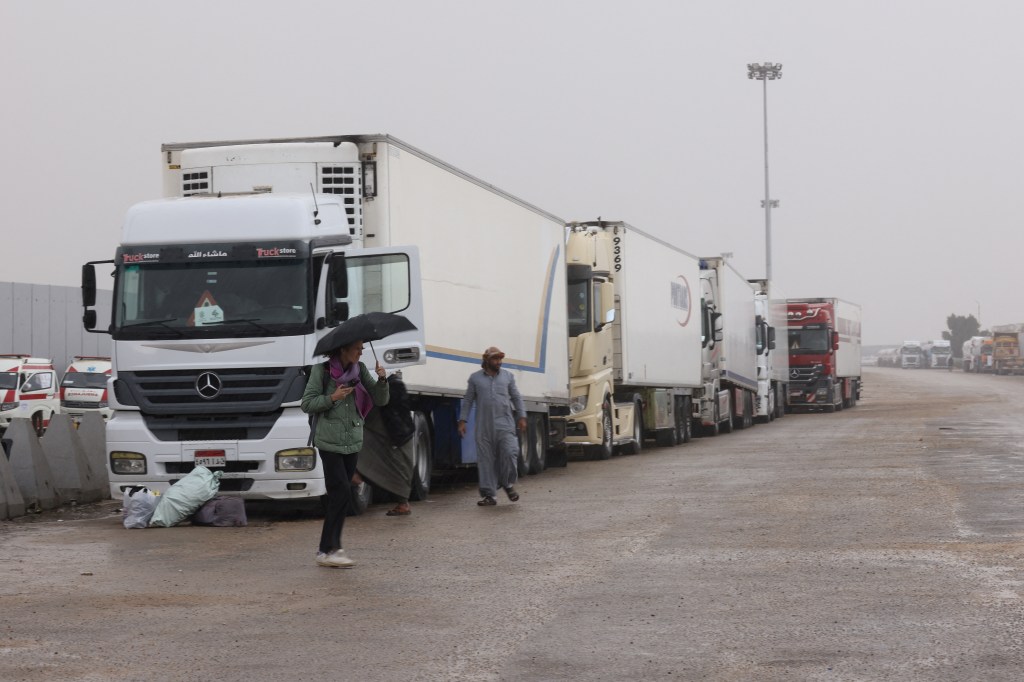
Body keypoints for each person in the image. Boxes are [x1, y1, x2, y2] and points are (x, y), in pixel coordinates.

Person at [301, 340, 389, 568]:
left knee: (343, 492)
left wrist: (382, 379)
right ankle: (329, 548)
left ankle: (329, 548)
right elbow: (307, 403)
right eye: (357, 348)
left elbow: (381, 399)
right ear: (343, 349)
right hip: (329, 441)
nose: (361, 352)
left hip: (352, 441)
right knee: (339, 492)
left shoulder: (359, 370)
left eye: (362, 348)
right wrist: (333, 397)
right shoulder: (322, 371)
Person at [457, 346, 527, 506]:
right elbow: (467, 400)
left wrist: (522, 416)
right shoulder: (475, 379)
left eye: (500, 359)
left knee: (510, 453)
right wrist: (462, 421)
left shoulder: (508, 377)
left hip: (505, 424)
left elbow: (516, 397)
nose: (499, 362)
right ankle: (490, 496)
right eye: (495, 359)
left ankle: (507, 484)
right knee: (485, 460)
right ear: (487, 360)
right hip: (484, 426)